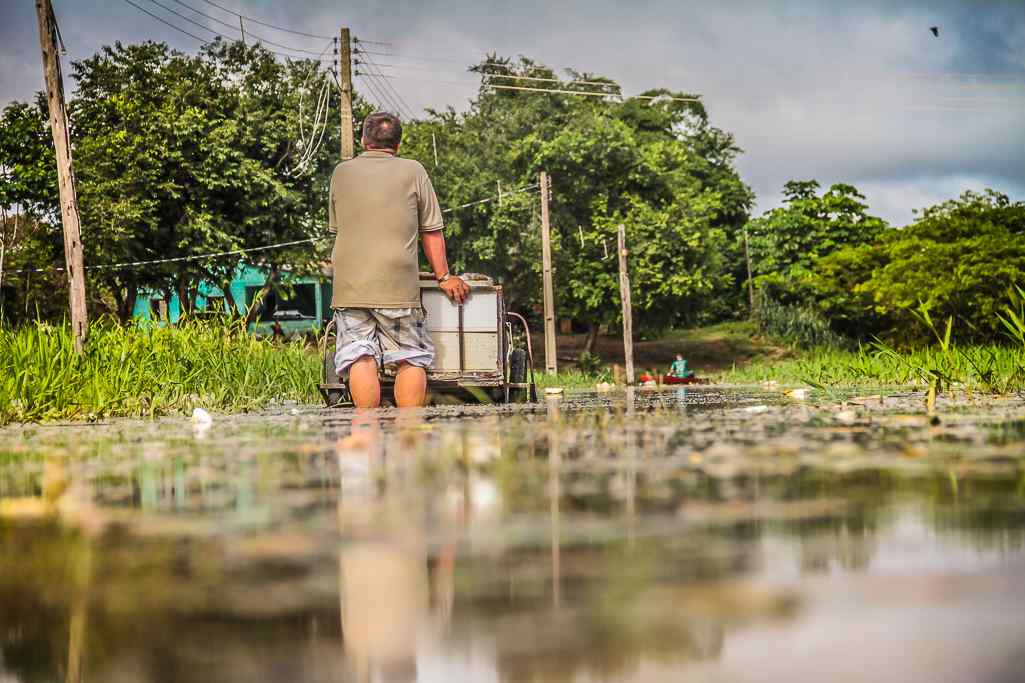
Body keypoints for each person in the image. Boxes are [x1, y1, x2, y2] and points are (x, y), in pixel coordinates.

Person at [328, 111, 470, 409]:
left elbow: (339, 229)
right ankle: (408, 433)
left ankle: (365, 430)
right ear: (398, 144)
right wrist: (444, 277)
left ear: (364, 140)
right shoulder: (413, 170)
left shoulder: (341, 172)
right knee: (410, 355)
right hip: (397, 283)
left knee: (359, 353)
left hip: (350, 283)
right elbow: (431, 232)